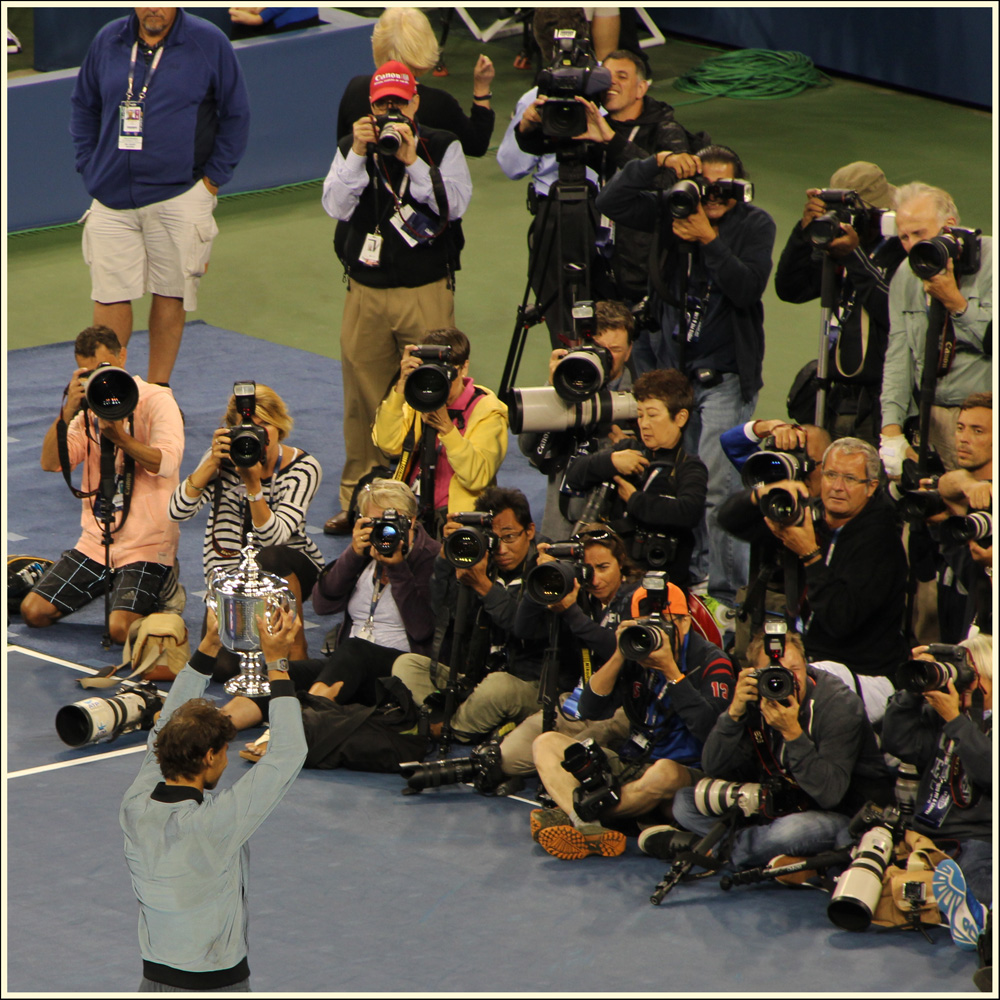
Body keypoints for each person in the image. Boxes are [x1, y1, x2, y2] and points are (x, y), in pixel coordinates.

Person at [596, 144, 776, 605]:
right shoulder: (673, 209)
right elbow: (610, 202)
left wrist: (708, 239)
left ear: (740, 189)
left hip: (726, 377)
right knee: (680, 481)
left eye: (722, 188)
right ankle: (690, 577)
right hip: (679, 377)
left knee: (718, 487)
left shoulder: (755, 225)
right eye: (703, 186)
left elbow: (747, 288)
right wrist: (654, 164)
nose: (711, 197)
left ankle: (725, 595)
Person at [120, 604, 306, 992]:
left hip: (152, 983)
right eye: (222, 751)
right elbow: (287, 754)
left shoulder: (135, 805)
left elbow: (165, 726)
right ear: (208, 757)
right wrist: (278, 665)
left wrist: (206, 652)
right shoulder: (212, 826)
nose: (226, 759)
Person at [322, 59, 472, 535]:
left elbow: (457, 202)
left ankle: (438, 499)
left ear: (416, 103)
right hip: (365, 291)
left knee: (432, 389)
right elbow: (335, 205)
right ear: (371, 105)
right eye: (383, 102)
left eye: (400, 102)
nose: (392, 110)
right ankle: (358, 498)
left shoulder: (441, 145)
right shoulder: (353, 146)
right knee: (361, 398)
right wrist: (356, 154)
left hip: (424, 291)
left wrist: (413, 163)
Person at [69, 7, 250, 386]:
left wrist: (212, 181)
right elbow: (84, 104)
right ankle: (111, 392)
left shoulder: (208, 42)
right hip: (111, 195)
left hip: (180, 195)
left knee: (171, 292)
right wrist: (89, 163)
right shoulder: (108, 40)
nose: (154, 8)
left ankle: (157, 391)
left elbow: (236, 113)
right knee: (110, 292)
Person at [504, 32, 699, 344]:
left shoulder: (666, 128)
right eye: (606, 76)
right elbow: (548, 143)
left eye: (623, 76)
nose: (613, 83)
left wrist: (612, 141)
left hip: (650, 278)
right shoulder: (598, 123)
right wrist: (528, 126)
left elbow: (669, 185)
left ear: (642, 87)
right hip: (607, 271)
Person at [530, 581, 735, 860]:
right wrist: (618, 654)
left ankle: (573, 813)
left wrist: (672, 673)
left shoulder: (712, 661)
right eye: (642, 625)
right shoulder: (636, 651)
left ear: (684, 623)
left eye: (660, 625)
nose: (650, 635)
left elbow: (710, 731)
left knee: (665, 772)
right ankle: (589, 827)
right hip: (634, 765)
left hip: (685, 775)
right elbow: (588, 708)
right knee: (546, 743)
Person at [222, 479, 439, 736]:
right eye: (374, 523)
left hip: (399, 674)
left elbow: (422, 629)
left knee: (355, 650)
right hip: (349, 667)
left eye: (392, 523)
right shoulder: (365, 554)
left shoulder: (433, 559)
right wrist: (353, 554)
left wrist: (398, 568)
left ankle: (290, 735)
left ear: (411, 522)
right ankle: (215, 726)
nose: (384, 531)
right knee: (279, 673)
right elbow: (322, 604)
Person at [661, 629, 891, 869]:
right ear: (754, 675)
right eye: (774, 674)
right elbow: (714, 766)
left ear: (806, 665)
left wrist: (792, 733)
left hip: (842, 812)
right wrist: (733, 714)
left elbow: (830, 794)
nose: (786, 680)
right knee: (685, 802)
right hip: (775, 802)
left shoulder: (838, 705)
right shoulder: (752, 698)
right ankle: (765, 853)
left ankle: (713, 848)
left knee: (788, 832)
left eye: (794, 670)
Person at [21, 326, 184, 644]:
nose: (100, 382)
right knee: (33, 612)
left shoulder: (156, 400)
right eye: (89, 373)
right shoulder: (86, 411)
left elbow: (166, 462)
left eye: (104, 369)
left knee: (120, 630)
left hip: (147, 545)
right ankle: (112, 583)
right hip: (97, 542)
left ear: (122, 355)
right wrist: (68, 410)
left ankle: (162, 584)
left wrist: (121, 438)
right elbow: (51, 463)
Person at [168, 383, 323, 678]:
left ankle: (296, 649)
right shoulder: (221, 459)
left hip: (290, 568)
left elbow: (273, 538)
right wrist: (211, 464)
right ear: (231, 431)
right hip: (232, 580)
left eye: (265, 427)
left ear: (280, 427)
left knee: (272, 556)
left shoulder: (303, 467)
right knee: (222, 669)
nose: (256, 438)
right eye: (246, 429)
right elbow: (176, 512)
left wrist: (253, 486)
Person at [735, 437, 908, 678]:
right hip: (809, 659)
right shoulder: (811, 516)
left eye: (849, 479)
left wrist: (809, 554)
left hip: (862, 672)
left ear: (871, 487)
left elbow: (840, 621)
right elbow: (728, 519)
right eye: (830, 475)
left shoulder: (880, 540)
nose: (837, 487)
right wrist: (762, 497)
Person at [391, 487, 551, 741]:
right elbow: (446, 611)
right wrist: (446, 558)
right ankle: (470, 722)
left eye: (509, 537)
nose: (501, 549)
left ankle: (445, 729)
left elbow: (523, 628)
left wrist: (484, 587)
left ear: (529, 531)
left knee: (497, 688)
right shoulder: (483, 561)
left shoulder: (547, 569)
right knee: (406, 666)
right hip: (477, 678)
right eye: (493, 538)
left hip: (527, 685)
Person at [774, 162, 905, 443]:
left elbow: (894, 314)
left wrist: (854, 258)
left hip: (883, 396)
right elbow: (790, 289)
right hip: (835, 394)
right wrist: (804, 232)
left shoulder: (900, 250)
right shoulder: (835, 243)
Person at [497, 526, 637, 780]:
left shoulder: (637, 597)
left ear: (621, 564)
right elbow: (523, 629)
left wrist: (572, 613)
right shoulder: (576, 593)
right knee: (507, 758)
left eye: (604, 567)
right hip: (574, 704)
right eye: (587, 570)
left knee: (570, 765)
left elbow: (618, 651)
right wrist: (541, 578)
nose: (594, 579)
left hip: (619, 710)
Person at [879, 182, 993, 475]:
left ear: (949, 226)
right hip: (931, 417)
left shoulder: (992, 261)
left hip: (986, 422)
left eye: (919, 233)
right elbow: (898, 354)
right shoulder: (906, 273)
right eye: (904, 237)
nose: (912, 245)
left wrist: (955, 303)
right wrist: (890, 430)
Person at [564, 368, 708, 588]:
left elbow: (688, 511)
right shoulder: (627, 451)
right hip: (611, 580)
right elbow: (573, 477)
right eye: (640, 415)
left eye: (652, 415)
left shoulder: (689, 467)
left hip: (662, 584)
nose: (644, 424)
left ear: (680, 418)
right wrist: (611, 462)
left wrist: (635, 500)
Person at [882, 633, 993, 907]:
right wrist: (913, 688)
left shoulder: (953, 717)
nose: (960, 685)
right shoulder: (941, 714)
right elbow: (899, 743)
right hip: (927, 833)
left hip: (978, 839)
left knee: (976, 884)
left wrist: (955, 720)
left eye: (969, 676)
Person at [372, 327, 508, 536]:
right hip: (411, 508)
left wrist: (447, 429)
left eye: (445, 375)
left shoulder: (488, 410)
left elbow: (477, 476)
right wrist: (401, 388)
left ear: (464, 368)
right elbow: (387, 443)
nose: (438, 383)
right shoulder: (420, 395)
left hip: (456, 518)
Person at [518, 300, 637, 539]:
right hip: (560, 527)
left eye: (614, 350)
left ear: (629, 351)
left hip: (614, 535)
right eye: (599, 348)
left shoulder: (639, 401)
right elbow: (528, 447)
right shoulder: (565, 392)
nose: (606, 358)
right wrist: (553, 387)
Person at [336, 7, 495, 157]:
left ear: (377, 44)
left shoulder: (355, 88)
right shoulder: (440, 104)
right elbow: (477, 145)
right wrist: (481, 88)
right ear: (426, 46)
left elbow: (343, 147)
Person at [932, 392, 993, 640]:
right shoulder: (963, 489)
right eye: (960, 428)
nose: (963, 439)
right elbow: (947, 484)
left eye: (977, 431)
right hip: (962, 627)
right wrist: (971, 485)